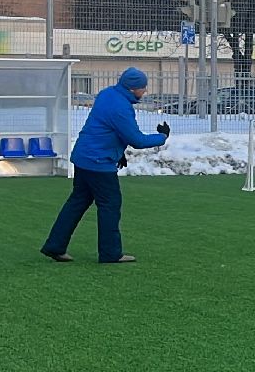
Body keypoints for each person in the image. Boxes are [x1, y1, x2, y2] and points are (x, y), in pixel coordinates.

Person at [41, 67, 170, 263]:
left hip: (84, 156)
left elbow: (105, 129)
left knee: (76, 203)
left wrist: (117, 152)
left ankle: (55, 246)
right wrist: (162, 136)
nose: (144, 92)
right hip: (98, 162)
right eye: (142, 88)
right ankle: (110, 253)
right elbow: (137, 140)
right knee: (110, 205)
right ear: (132, 89)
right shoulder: (121, 107)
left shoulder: (107, 94)